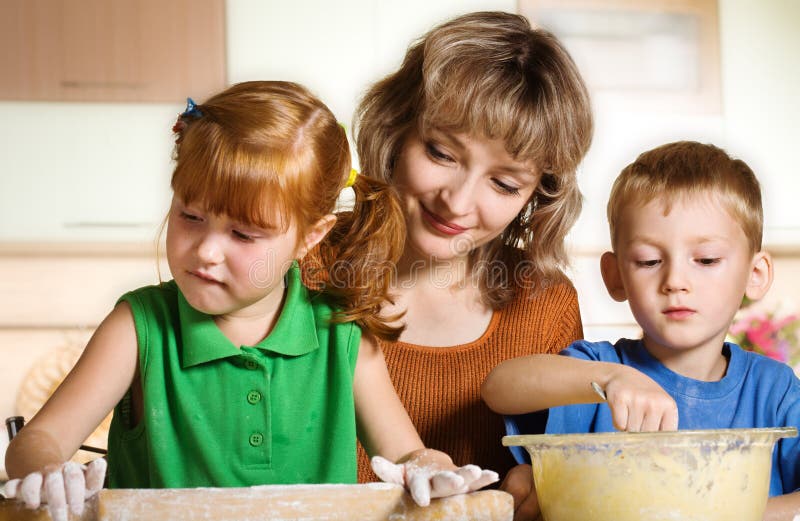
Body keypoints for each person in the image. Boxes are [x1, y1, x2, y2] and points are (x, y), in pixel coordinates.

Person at [3, 81, 498, 521]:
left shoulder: (342, 338)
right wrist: (47, 472)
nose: (206, 251)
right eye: (190, 215)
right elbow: (37, 442)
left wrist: (434, 470)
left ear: (311, 236)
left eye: (243, 233)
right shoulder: (138, 327)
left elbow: (409, 456)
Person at [352, 11, 593, 520]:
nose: (458, 202)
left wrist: (538, 483)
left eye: (504, 184)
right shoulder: (302, 266)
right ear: (397, 128)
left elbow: (565, 459)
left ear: (535, 197)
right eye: (441, 153)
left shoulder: (544, 305)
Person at [482, 141, 800, 519]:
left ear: (755, 274)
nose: (676, 280)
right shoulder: (599, 366)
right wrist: (610, 379)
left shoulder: (774, 391)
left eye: (706, 259)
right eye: (649, 261)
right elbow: (499, 387)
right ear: (615, 276)